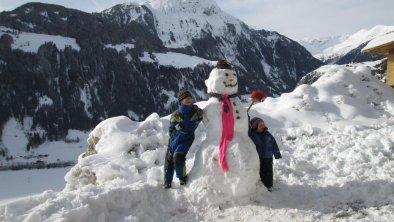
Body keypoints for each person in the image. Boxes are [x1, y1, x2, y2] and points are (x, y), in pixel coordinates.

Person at [163, 89, 204, 189]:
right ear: (181, 100)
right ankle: (167, 181)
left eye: (190, 98)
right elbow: (170, 130)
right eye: (186, 98)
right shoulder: (175, 114)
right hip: (174, 140)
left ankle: (182, 177)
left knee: (178, 156)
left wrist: (200, 113)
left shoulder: (194, 111)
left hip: (187, 138)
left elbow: (201, 117)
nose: (189, 100)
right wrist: (175, 129)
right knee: (169, 160)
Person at [248, 117, 282, 192]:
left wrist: (277, 154)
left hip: (268, 157)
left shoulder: (268, 134)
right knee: (259, 172)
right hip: (258, 157)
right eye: (260, 125)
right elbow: (247, 127)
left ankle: (269, 185)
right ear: (255, 126)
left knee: (268, 172)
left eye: (263, 124)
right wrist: (247, 118)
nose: (263, 126)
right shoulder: (253, 134)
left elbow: (274, 143)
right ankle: (260, 186)